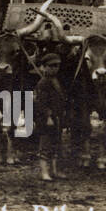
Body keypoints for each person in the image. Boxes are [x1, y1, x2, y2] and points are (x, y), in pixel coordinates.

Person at [34, 53, 66, 181]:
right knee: (45, 146)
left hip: (56, 117)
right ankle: (44, 172)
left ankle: (54, 171)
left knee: (56, 145)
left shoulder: (56, 80)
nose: (55, 68)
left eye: (57, 66)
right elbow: (41, 102)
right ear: (44, 67)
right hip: (46, 119)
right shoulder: (43, 83)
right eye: (51, 66)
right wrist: (48, 117)